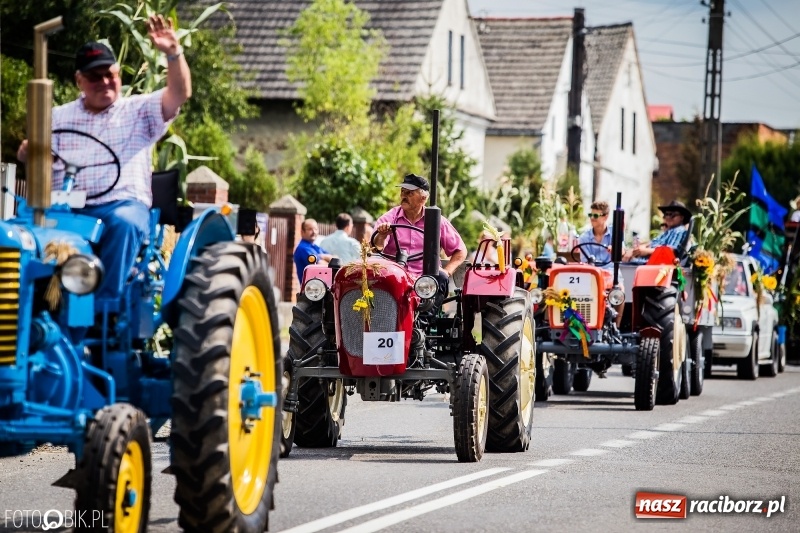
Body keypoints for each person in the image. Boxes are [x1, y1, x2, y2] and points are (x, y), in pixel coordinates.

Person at [17, 15, 191, 306]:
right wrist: (29, 154)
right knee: (17, 231)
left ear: (118, 74)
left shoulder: (139, 110)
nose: (105, 82)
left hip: (119, 205)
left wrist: (173, 53)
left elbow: (180, 93)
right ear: (79, 81)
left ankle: (102, 309)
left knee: (125, 223)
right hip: (64, 207)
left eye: (109, 74)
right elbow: (39, 161)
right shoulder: (56, 117)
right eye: (94, 77)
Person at [373, 174, 467, 294]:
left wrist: (447, 271)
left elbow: (460, 251)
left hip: (426, 281)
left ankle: (428, 307)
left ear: (423, 198)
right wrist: (381, 235)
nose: (404, 196)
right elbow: (375, 249)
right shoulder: (390, 218)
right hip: (394, 276)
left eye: (409, 193)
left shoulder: (437, 221)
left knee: (441, 278)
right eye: (402, 192)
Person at [578, 201, 623, 326]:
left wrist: (616, 249)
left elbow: (623, 252)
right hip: (592, 271)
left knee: (619, 290)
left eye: (596, 215)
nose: (592, 218)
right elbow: (585, 262)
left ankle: (617, 326)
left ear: (605, 217)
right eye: (590, 215)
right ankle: (586, 323)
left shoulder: (615, 234)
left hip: (610, 271)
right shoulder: (584, 238)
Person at [623, 200, 692, 263]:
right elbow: (651, 243)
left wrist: (646, 251)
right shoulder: (668, 232)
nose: (668, 217)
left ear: (681, 217)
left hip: (656, 266)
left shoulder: (679, 230)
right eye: (666, 214)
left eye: (672, 215)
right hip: (649, 263)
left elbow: (670, 251)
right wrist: (636, 250)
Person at [293, 218, 333, 282]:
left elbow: (335, 259)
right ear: (302, 232)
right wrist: (327, 259)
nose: (314, 232)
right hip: (311, 287)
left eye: (316, 229)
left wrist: (322, 256)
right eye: (310, 229)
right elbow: (324, 266)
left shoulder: (315, 247)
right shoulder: (303, 248)